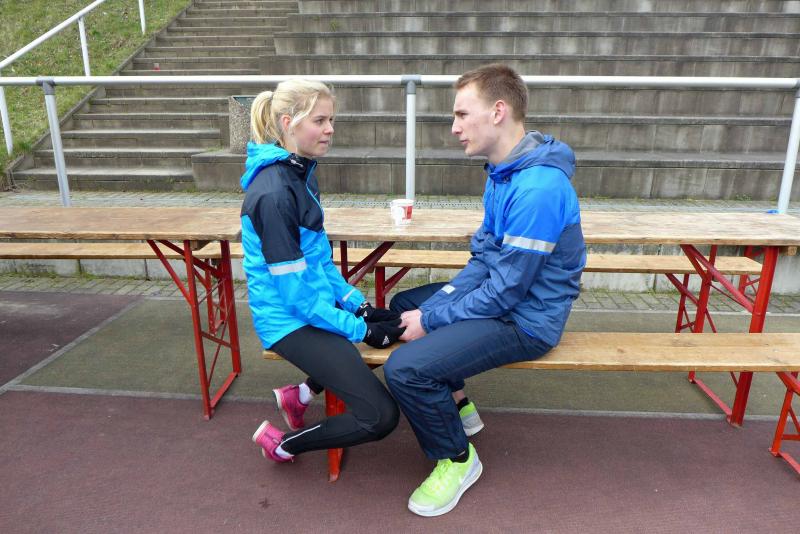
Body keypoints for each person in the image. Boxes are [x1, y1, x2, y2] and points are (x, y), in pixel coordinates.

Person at [383, 64, 586, 517]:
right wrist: (437, 305)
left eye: (461, 114)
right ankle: (459, 406)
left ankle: (458, 459)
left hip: (527, 321)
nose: (454, 128)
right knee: (404, 304)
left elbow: (507, 291)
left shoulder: (538, 189)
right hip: (507, 299)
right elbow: (485, 260)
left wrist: (433, 318)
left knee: (405, 370)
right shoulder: (503, 172)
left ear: (498, 112)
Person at [241, 79, 405, 463]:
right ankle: (282, 445)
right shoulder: (274, 193)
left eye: (331, 119)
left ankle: (298, 396)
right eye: (320, 120)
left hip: (308, 306)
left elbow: (319, 261)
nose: (330, 129)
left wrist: (358, 306)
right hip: (287, 322)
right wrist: (361, 329)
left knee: (389, 329)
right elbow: (296, 298)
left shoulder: (300, 172)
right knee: (380, 416)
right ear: (288, 123)